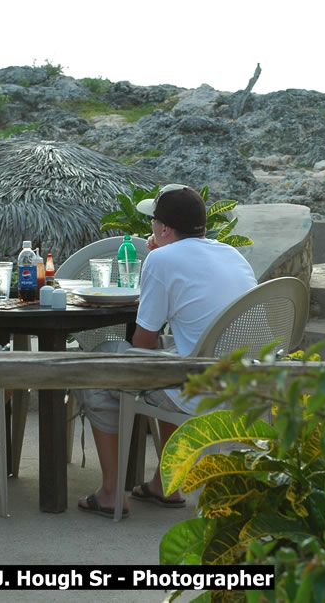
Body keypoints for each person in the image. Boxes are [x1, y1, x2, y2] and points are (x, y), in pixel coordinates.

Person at [75, 184, 256, 518]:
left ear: (164, 229)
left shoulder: (161, 258)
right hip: (245, 382)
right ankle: (165, 484)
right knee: (170, 359)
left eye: (154, 221)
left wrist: (158, 257)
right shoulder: (232, 254)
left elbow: (143, 344)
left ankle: (112, 492)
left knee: (97, 365)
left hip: (198, 389)